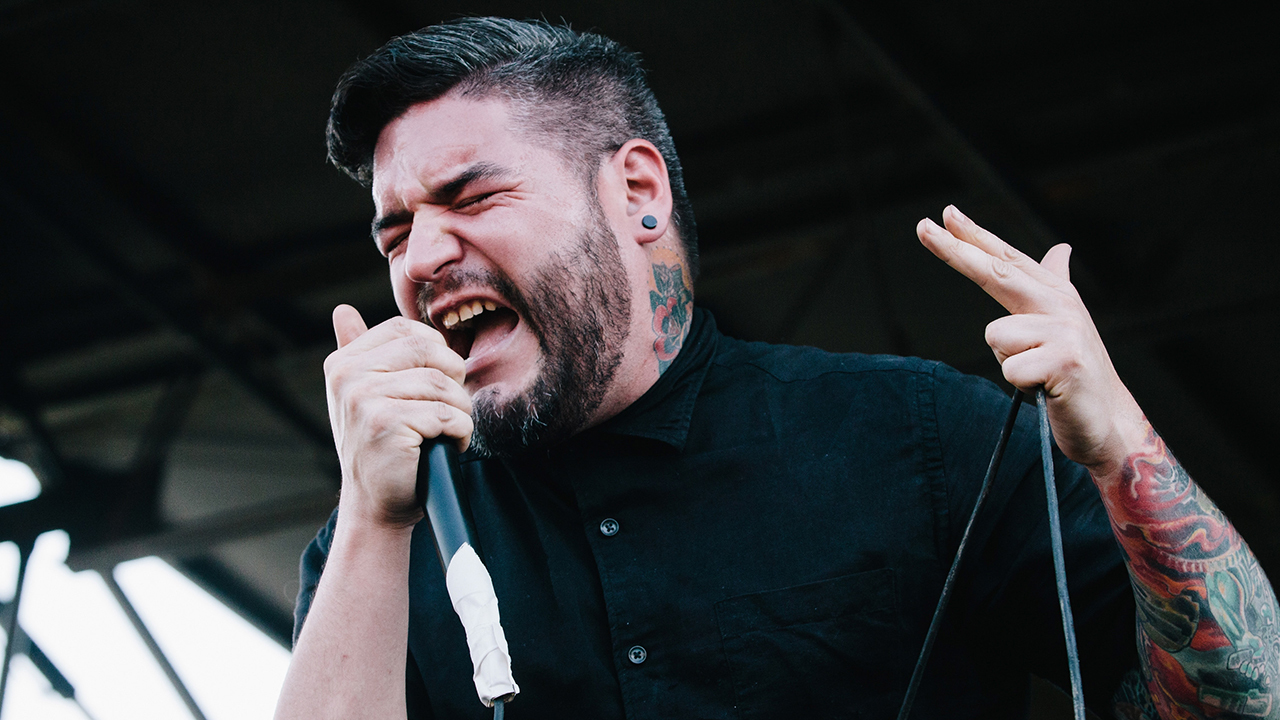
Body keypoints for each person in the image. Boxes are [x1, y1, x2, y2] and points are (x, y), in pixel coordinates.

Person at [274, 17, 1279, 720]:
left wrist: (1122, 457)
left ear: (634, 190)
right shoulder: (383, 547)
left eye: (470, 197)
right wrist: (370, 518)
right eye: (395, 230)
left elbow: (1248, 703)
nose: (419, 257)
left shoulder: (920, 440)